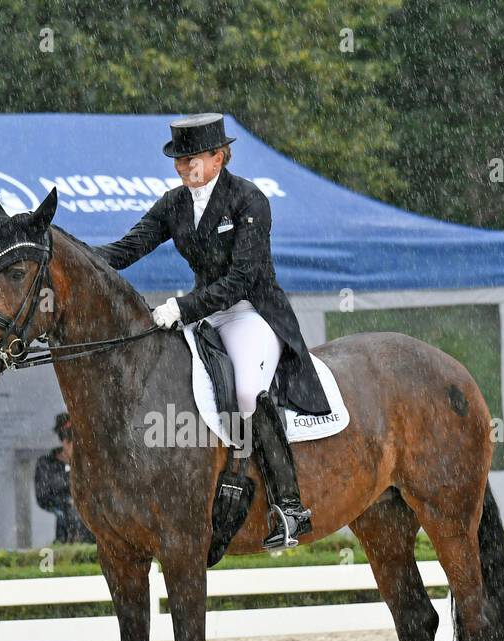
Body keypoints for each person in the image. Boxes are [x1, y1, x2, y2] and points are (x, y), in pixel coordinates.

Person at [91, 113, 332, 549]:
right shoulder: (174, 204)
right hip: (206, 316)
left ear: (218, 157)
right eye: (178, 162)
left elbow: (241, 279)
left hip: (251, 313)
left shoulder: (249, 200)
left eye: (191, 160)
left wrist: (181, 308)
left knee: (245, 392)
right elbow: (126, 249)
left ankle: (291, 507)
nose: (184, 169)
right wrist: (72, 253)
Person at [35, 412, 96, 545]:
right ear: (65, 443)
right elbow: (43, 496)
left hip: (90, 526)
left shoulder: (90, 464)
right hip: (65, 523)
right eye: (74, 443)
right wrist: (67, 502)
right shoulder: (47, 464)